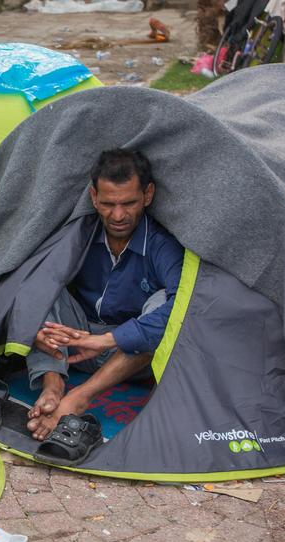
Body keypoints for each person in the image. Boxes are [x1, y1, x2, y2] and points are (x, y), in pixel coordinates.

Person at [26, 149, 184, 441]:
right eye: (109, 204)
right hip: (72, 344)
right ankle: (53, 385)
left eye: (129, 203)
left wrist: (107, 340)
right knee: (40, 288)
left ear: (148, 195)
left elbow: (183, 309)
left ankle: (79, 398)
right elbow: (27, 284)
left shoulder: (163, 246)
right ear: (94, 197)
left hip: (127, 356)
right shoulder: (80, 234)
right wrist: (29, 327)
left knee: (166, 305)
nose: (118, 215)